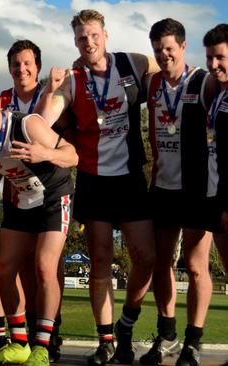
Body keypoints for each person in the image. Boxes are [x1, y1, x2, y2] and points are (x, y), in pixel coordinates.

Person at [36, 9, 159, 366]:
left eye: (93, 35)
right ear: (75, 43)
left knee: (146, 258)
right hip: (93, 179)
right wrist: (50, 88)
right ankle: (106, 339)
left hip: (131, 178)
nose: (88, 42)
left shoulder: (132, 63)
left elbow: (164, 67)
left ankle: (127, 321)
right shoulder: (73, 80)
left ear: (105, 35)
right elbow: (45, 119)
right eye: (80, 38)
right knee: (101, 260)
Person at [0, 83, 77, 366]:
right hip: (22, 201)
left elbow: (72, 155)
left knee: (44, 266)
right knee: (3, 268)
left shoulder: (28, 125)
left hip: (54, 197)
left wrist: (45, 154)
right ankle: (19, 343)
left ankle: (43, 345)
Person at [140, 18, 221, 366]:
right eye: (158, 49)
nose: (164, 54)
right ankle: (167, 333)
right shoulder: (153, 83)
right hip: (161, 185)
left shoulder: (203, 81)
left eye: (169, 48)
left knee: (196, 264)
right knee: (161, 263)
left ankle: (194, 341)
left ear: (183, 48)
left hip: (196, 189)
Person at [206, 23, 228, 366]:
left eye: (221, 57)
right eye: (210, 57)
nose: (213, 65)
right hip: (217, 193)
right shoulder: (221, 92)